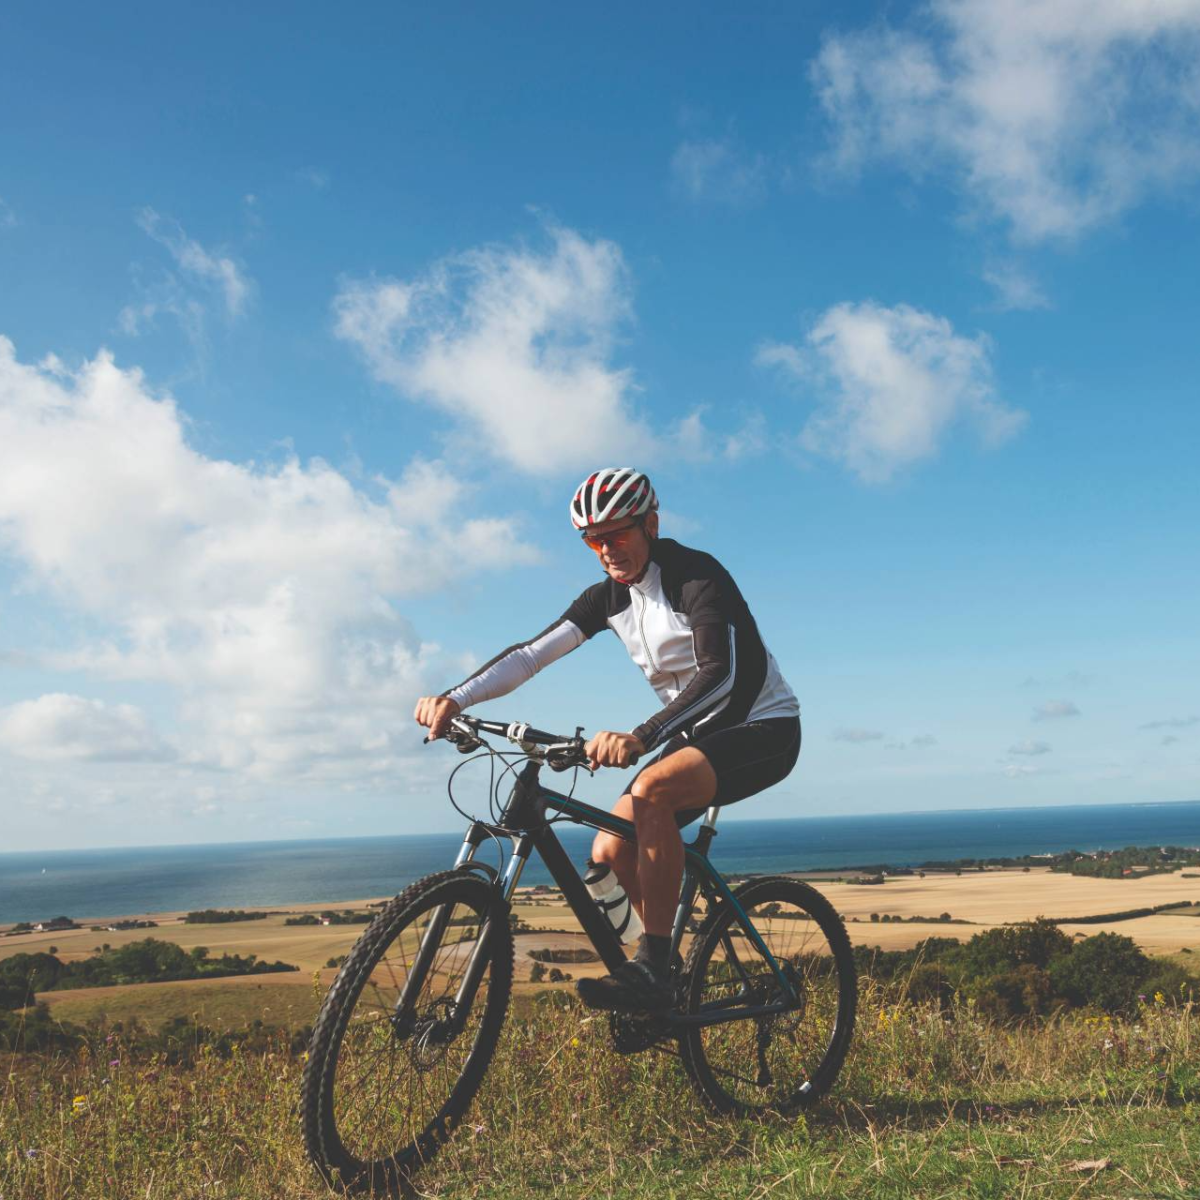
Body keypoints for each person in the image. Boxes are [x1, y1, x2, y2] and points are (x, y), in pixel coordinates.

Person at [414, 467, 800, 1013]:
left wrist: (643, 736)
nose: (605, 549)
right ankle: (666, 975)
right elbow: (530, 655)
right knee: (608, 849)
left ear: (651, 524)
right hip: (691, 735)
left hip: (762, 727)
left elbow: (723, 673)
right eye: (592, 540)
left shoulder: (696, 577)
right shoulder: (608, 598)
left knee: (652, 793)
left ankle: (656, 966)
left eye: (616, 534)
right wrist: (456, 698)